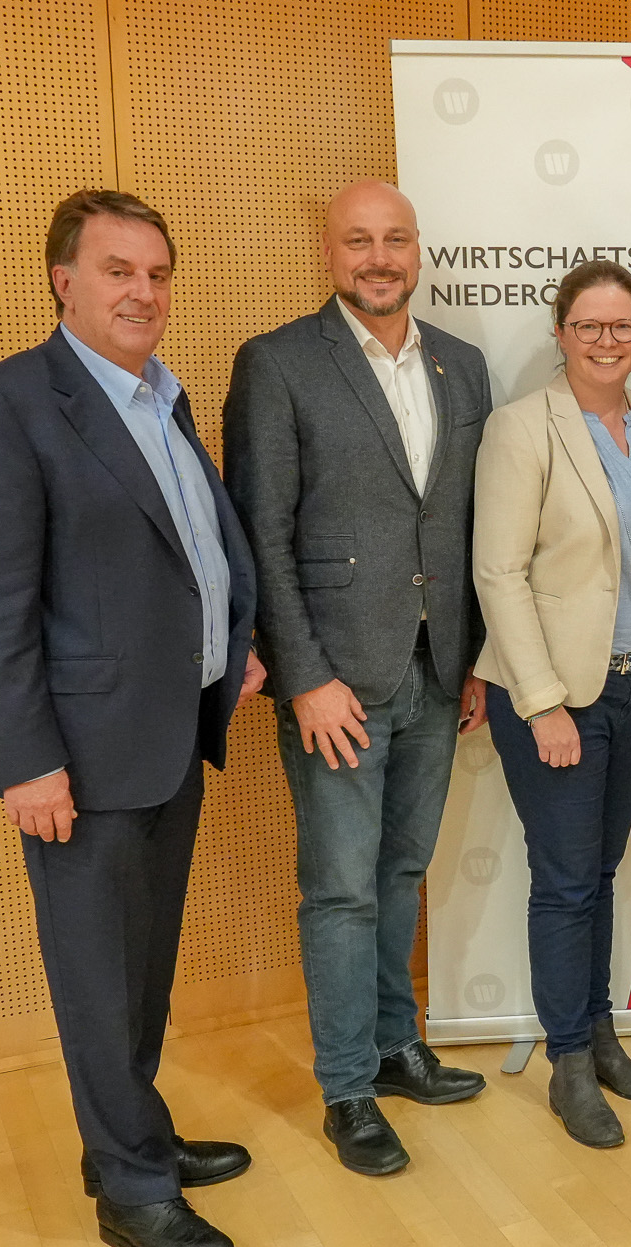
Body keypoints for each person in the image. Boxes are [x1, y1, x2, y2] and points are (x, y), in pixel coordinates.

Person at [0, 189, 262, 1247]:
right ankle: (132, 1188)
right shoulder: (8, 406)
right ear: (61, 279)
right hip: (76, 754)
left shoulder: (162, 400)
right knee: (95, 974)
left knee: (143, 967)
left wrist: (236, 640)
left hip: (170, 735)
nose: (145, 291)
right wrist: (23, 758)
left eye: (159, 272)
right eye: (119, 269)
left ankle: (129, 1133)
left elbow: (182, 556)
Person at [224, 180, 491, 1179]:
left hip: (435, 669)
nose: (378, 257)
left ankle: (394, 1046)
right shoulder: (280, 364)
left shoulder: (461, 367)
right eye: (357, 241)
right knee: (340, 892)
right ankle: (346, 1089)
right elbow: (261, 532)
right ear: (329, 252)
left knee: (401, 873)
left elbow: (465, 527)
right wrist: (303, 678)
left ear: (417, 250)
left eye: (394, 240)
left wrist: (470, 661)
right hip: (336, 681)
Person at [472, 261, 631, 1148]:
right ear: (560, 332)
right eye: (590, 326)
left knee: (600, 874)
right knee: (566, 881)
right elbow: (498, 572)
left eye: (623, 326)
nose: (608, 341)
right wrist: (541, 704)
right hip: (556, 697)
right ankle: (569, 1059)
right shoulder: (520, 429)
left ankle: (601, 1034)